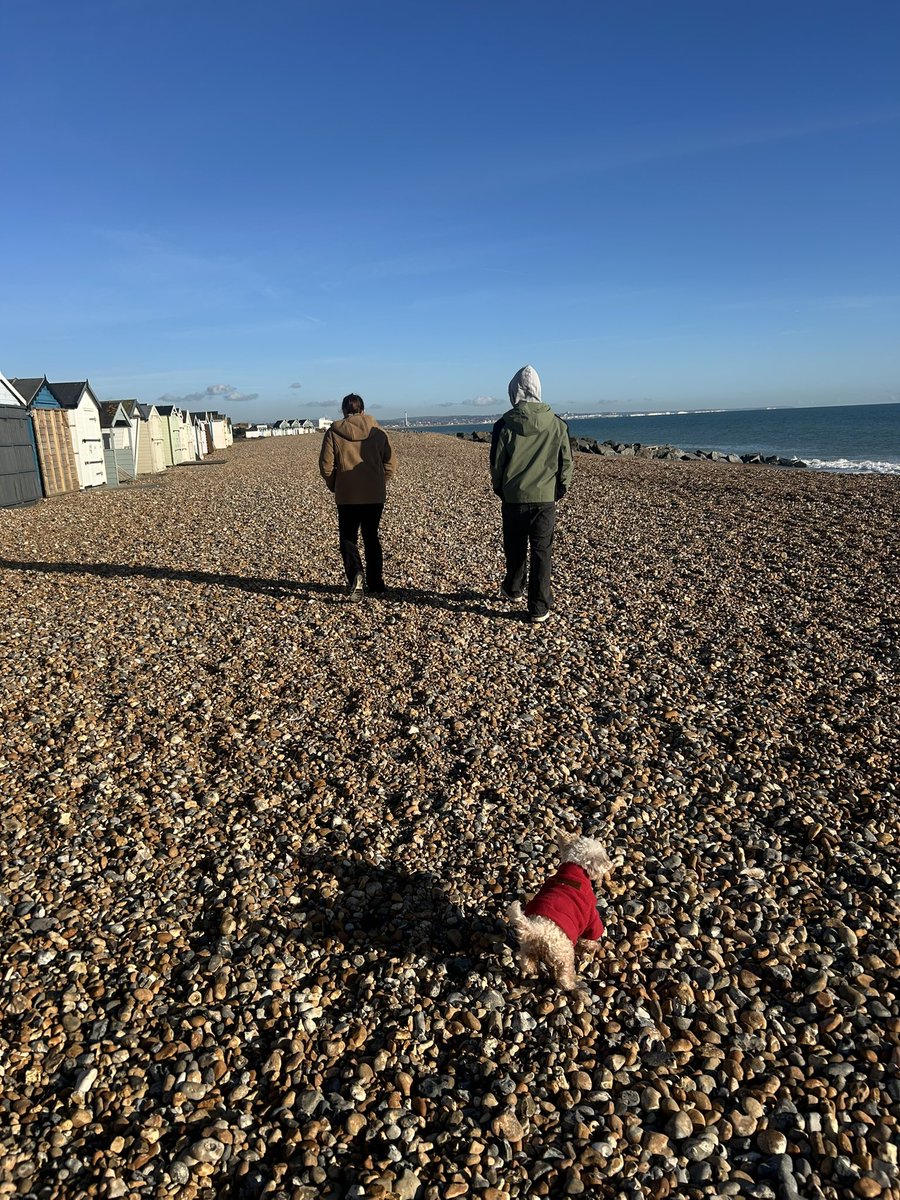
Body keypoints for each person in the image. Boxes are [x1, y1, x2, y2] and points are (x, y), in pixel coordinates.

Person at [490, 365, 573, 624]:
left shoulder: (503, 425)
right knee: (541, 551)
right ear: (538, 390)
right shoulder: (558, 424)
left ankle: (514, 589)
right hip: (545, 497)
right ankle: (538, 606)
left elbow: (497, 464)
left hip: (514, 496)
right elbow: (566, 462)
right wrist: (560, 488)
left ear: (513, 391)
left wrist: (500, 488)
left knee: (514, 546)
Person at [319, 393, 395, 601]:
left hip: (347, 495)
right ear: (363, 410)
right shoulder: (378, 432)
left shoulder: (334, 433)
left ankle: (355, 574)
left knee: (348, 538)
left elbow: (326, 467)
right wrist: (379, 482)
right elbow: (390, 463)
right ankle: (376, 583)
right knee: (371, 537)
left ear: (344, 411)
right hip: (374, 495)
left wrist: (336, 485)